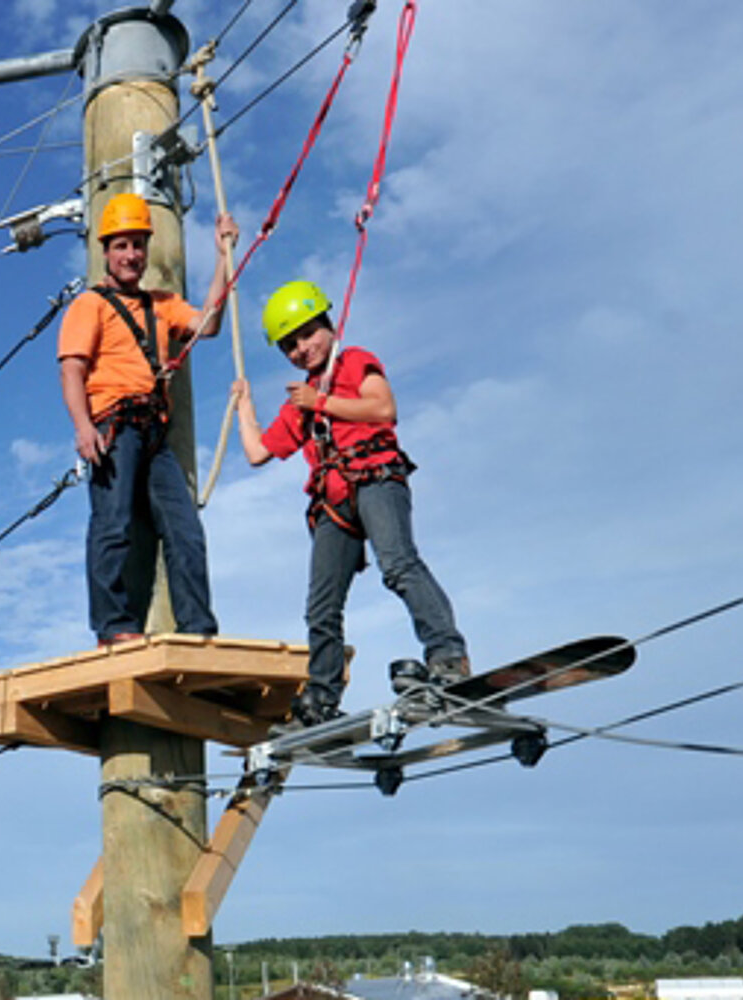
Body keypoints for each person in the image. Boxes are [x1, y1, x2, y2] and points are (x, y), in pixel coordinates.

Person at [226, 280, 469, 727]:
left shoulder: (354, 362)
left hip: (375, 478)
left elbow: (382, 409)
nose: (301, 349)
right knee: (321, 606)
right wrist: (244, 406)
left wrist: (321, 401)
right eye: (290, 345)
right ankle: (320, 698)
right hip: (334, 502)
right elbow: (259, 452)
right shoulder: (302, 401)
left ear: (327, 325)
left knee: (398, 566)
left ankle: (447, 656)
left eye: (307, 335)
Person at [59, 191, 238, 647]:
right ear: (105, 252)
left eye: (138, 244)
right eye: (121, 245)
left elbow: (209, 325)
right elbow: (73, 368)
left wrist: (223, 258)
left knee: (184, 530)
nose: (131, 255)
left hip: (154, 433)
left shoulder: (162, 304)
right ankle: (114, 625)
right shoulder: (90, 305)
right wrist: (83, 428)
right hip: (113, 426)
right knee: (113, 525)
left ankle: (197, 627)